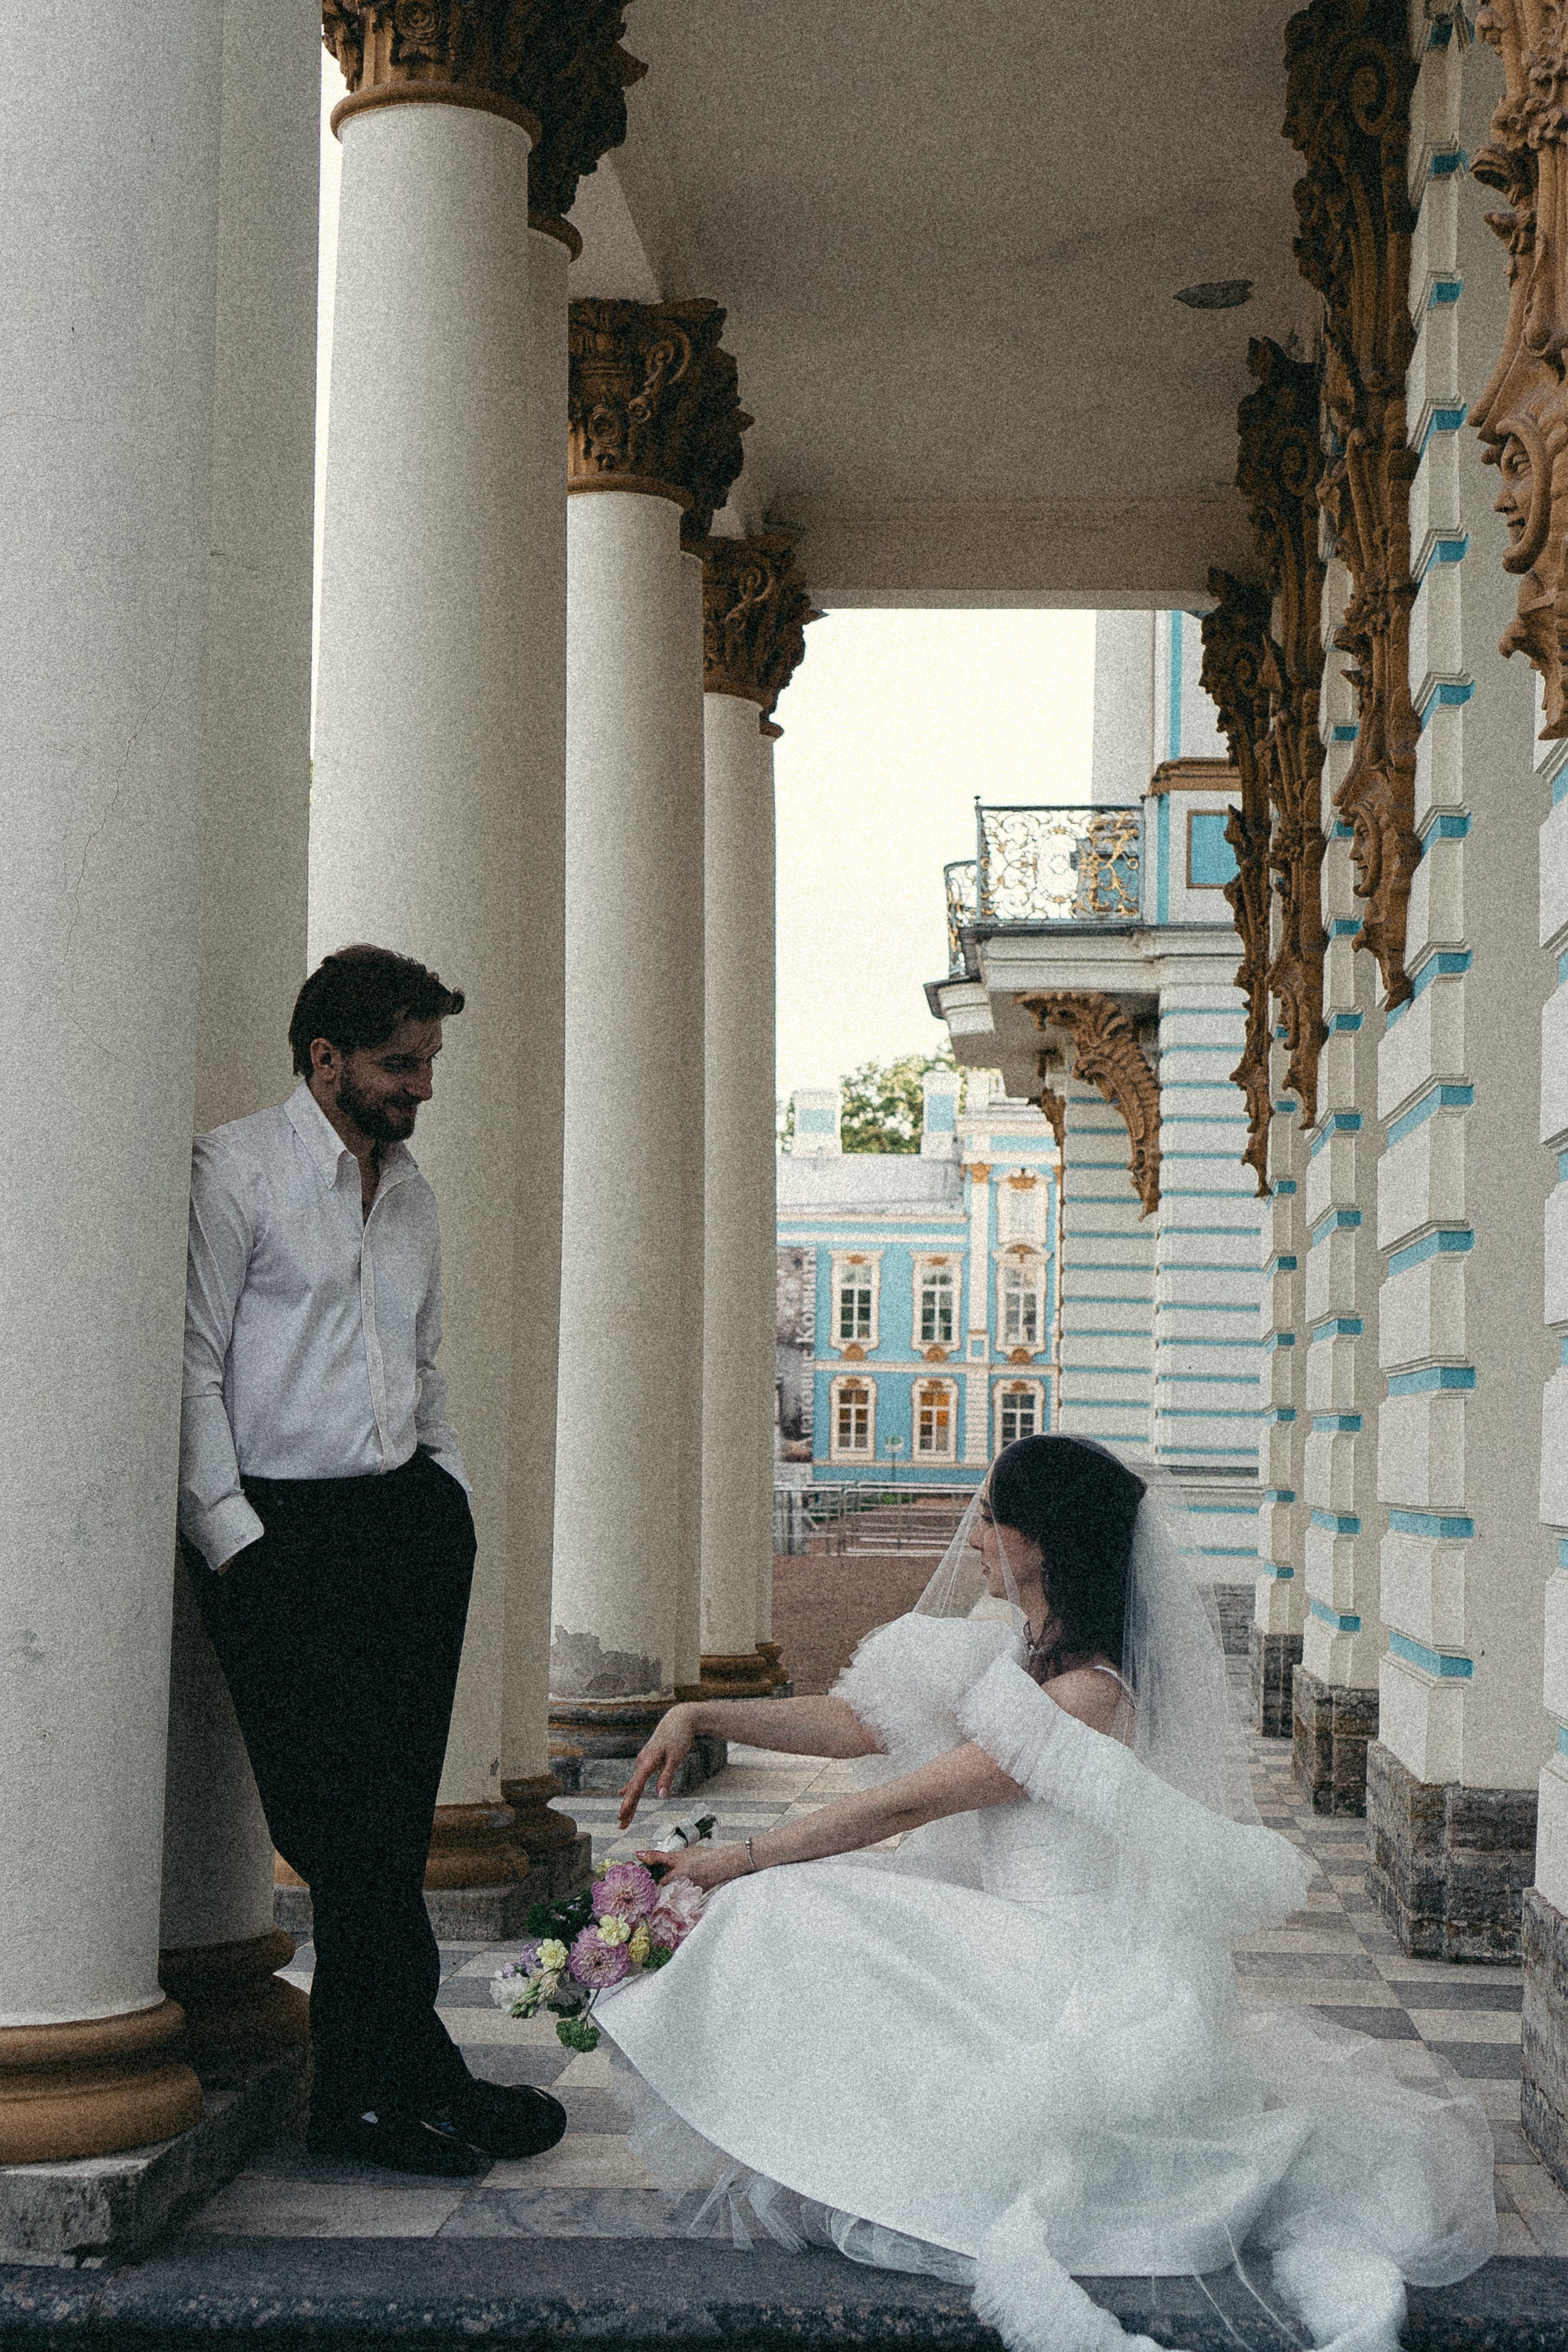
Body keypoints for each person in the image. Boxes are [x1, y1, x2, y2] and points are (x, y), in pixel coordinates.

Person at [601, 1436, 1496, 2352]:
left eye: (990, 1517)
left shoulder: (1085, 1695)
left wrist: (744, 1857)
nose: (974, 1535)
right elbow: (853, 1724)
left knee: (783, 1907)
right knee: (813, 1910)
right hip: (1002, 1923)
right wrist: (702, 1711)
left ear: (1042, 1542)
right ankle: (832, 2148)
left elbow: (908, 1799)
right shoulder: (1013, 1654)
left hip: (1066, 1960)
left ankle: (855, 2159)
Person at [178, 943, 566, 2177]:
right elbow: (188, 1368)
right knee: (341, 1836)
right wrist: (235, 1542)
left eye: (430, 1061)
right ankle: (378, 2091)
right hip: (278, 1542)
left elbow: (423, 1362)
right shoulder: (233, 1173)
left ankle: (396, 2083)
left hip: (402, 1529)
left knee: (389, 1835)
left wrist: (441, 1490)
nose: (423, 1087)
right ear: (326, 1057)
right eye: (403, 1063)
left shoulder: (412, 1194)